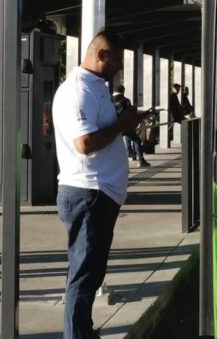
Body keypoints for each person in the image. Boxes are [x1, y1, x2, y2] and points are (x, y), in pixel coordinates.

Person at [52, 30, 149, 339]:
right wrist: (123, 125)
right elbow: (84, 143)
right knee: (84, 275)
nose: (119, 66)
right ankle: (77, 334)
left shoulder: (96, 88)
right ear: (101, 55)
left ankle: (82, 330)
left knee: (88, 272)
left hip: (97, 193)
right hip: (88, 192)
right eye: (117, 59)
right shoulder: (79, 91)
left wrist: (125, 121)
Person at [112, 84, 150, 168]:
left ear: (114, 91)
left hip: (114, 126)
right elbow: (130, 114)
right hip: (126, 125)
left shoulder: (109, 100)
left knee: (115, 145)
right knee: (136, 140)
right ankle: (140, 160)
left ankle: (119, 164)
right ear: (123, 91)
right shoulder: (126, 100)